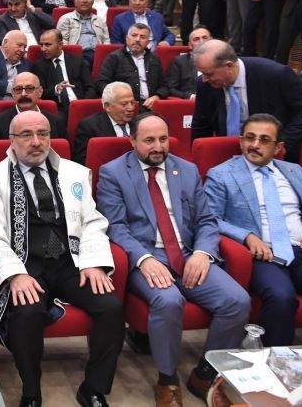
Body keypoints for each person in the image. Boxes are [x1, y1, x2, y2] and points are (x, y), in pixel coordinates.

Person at [97, 113, 250, 407]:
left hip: (188, 254)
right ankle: (167, 380)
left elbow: (206, 221)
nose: (158, 146)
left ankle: (205, 373)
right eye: (149, 140)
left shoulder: (187, 170)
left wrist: (203, 253)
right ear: (132, 141)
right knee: (169, 301)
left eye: (163, 139)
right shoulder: (113, 172)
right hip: (146, 257)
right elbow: (115, 227)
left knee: (237, 301)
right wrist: (143, 259)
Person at [0, 110, 124, 407]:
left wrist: (94, 262)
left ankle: (93, 388)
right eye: (26, 135)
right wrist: (15, 274)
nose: (36, 142)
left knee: (111, 308)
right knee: (26, 312)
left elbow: (92, 221)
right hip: (27, 265)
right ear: (11, 140)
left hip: (71, 263)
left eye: (42, 134)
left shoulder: (74, 173)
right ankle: (31, 391)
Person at [205, 114, 302, 348]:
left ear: (278, 147)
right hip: (262, 255)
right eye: (250, 138)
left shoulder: (294, 171)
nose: (255, 144)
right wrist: (246, 236)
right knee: (282, 297)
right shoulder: (221, 174)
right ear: (240, 141)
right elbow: (209, 218)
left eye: (264, 140)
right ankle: (274, 361)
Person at [191, 39, 302, 163]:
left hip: (275, 158)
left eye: (209, 74)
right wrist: (198, 160)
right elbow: (201, 124)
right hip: (228, 158)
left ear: (229, 66)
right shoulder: (205, 84)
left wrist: (284, 143)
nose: (204, 79)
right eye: (203, 74)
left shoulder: (275, 74)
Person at [98, 23, 167, 110]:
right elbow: (102, 84)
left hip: (150, 106)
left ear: (148, 42)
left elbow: (164, 86)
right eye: (134, 35)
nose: (137, 39)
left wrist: (157, 96)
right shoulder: (114, 58)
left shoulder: (154, 59)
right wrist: (120, 99)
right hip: (123, 107)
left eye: (142, 37)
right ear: (127, 38)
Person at [31, 29, 95, 116]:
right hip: (57, 109)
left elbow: (90, 87)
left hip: (80, 104)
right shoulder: (39, 66)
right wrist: (56, 89)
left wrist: (83, 104)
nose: (43, 49)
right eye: (41, 45)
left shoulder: (77, 61)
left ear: (60, 45)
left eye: (47, 45)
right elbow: (39, 93)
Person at [0, 71, 66, 140]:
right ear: (13, 93)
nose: (23, 94)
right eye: (18, 89)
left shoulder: (57, 123)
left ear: (40, 92)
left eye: (29, 89)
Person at [73, 82, 136, 166]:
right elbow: (82, 161)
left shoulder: (140, 124)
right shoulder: (89, 126)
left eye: (132, 102)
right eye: (124, 104)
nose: (130, 108)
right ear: (107, 106)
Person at [55, 0, 110, 66]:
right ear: (75, 1)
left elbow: (106, 40)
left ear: (92, 2)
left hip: (98, 54)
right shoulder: (66, 18)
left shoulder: (100, 20)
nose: (85, 0)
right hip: (77, 55)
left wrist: (104, 54)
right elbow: (63, 42)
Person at [110, 0, 175, 50]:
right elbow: (115, 42)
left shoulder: (156, 17)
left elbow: (170, 35)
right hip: (130, 54)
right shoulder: (120, 19)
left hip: (154, 54)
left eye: (141, 0)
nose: (137, 3)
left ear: (147, 3)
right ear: (129, 2)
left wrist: (166, 42)